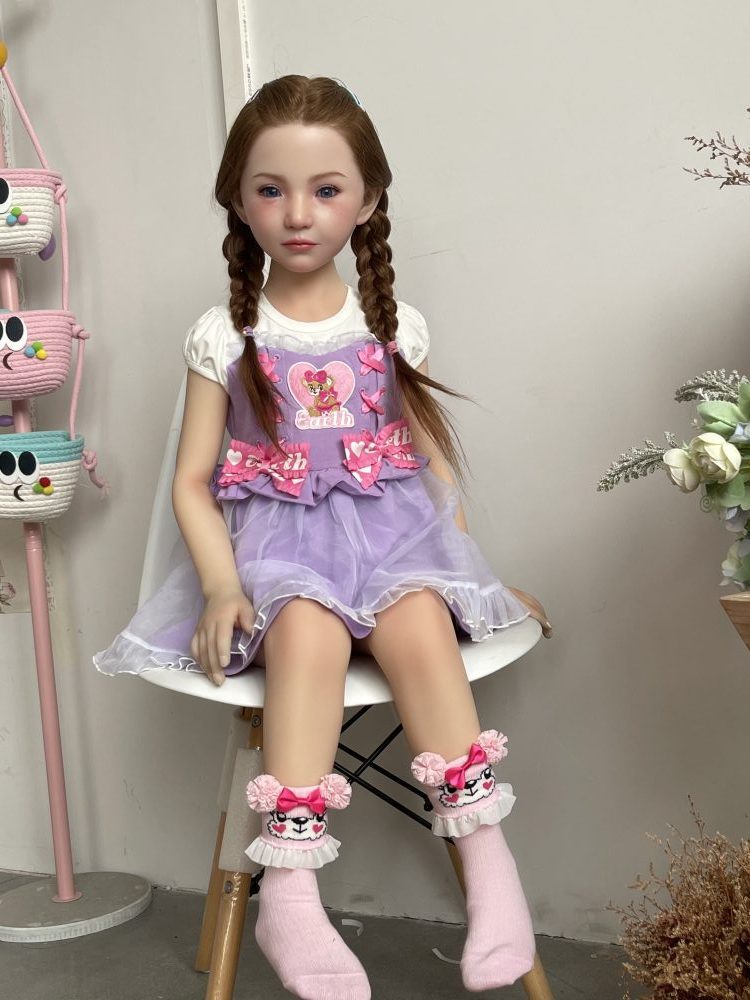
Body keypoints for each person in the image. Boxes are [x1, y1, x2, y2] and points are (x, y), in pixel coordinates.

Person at [94, 75, 552, 1000]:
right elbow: (191, 482)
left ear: (368, 200)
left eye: (326, 189)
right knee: (305, 628)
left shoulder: (392, 326)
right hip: (278, 549)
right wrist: (222, 586)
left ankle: (488, 860)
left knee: (419, 618)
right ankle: (291, 892)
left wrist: (470, 577)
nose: (298, 214)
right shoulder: (226, 335)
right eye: (271, 189)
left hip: (393, 541)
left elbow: (431, 466)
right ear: (237, 198)